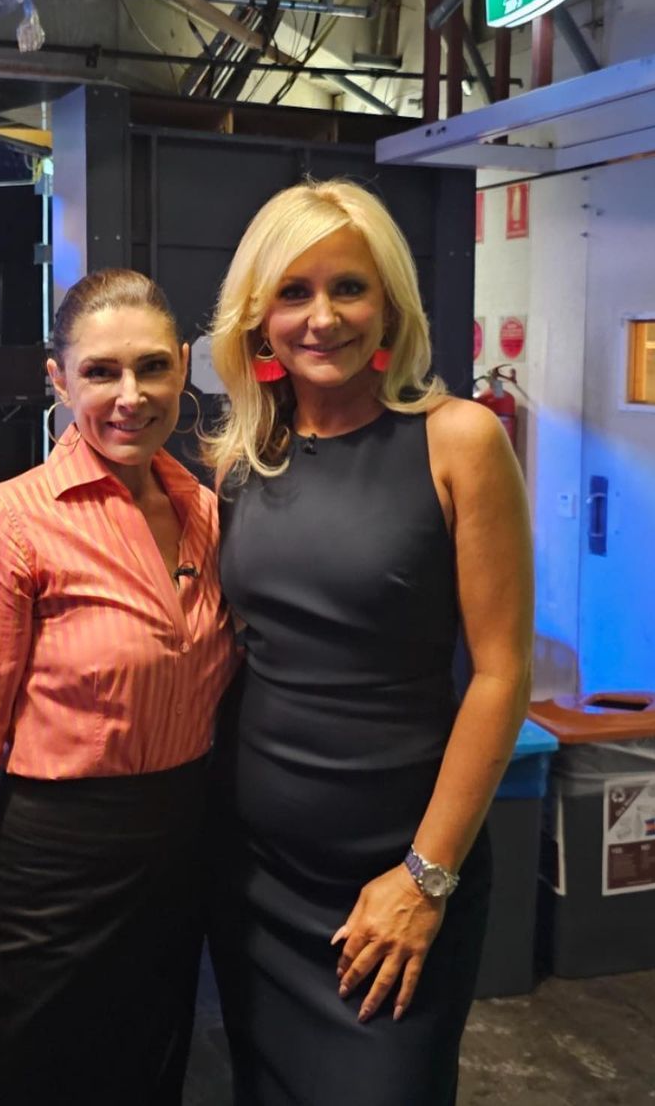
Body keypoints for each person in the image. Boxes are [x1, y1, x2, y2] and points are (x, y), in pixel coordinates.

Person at [202, 180, 533, 1106]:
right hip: (254, 876)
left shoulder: (460, 440)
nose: (322, 318)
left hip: (398, 874)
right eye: (294, 292)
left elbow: (503, 676)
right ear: (258, 315)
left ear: (389, 303)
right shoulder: (242, 460)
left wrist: (426, 880)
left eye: (348, 287)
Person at [0, 269, 236, 1105]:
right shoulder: (10, 523)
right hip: (55, 871)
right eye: (100, 372)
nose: (131, 396)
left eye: (152, 367)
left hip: (177, 862)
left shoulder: (206, 512)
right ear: (58, 380)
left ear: (184, 365)